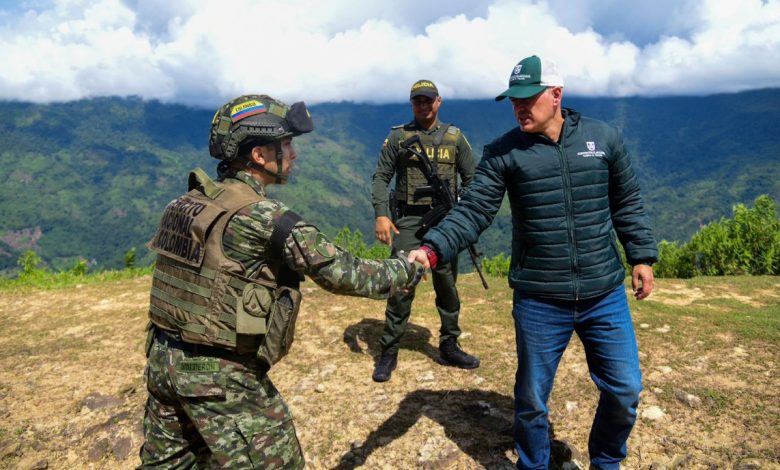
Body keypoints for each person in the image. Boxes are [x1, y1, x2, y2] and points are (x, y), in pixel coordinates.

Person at [139, 94, 424, 469]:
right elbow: (345, 273)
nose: (293, 154)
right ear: (259, 155)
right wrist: (409, 266)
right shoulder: (265, 218)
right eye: (286, 144)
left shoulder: (186, 202)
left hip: (161, 363)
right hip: (218, 378)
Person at [407, 56, 658, 469]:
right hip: (540, 298)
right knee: (531, 401)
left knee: (625, 390)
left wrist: (642, 256)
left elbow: (626, 201)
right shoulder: (504, 152)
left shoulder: (604, 138)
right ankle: (534, 464)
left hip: (604, 293)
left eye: (528, 98)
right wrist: (431, 249)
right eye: (513, 100)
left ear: (556, 95)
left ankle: (607, 462)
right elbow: (473, 210)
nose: (519, 107)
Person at [370, 79, 480, 382]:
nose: (423, 105)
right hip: (408, 220)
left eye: (428, 100)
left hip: (446, 220)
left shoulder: (455, 138)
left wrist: (465, 219)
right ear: (411, 104)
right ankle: (389, 348)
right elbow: (381, 177)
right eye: (417, 100)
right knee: (402, 283)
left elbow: (473, 180)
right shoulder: (398, 137)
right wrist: (381, 215)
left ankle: (449, 344)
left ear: (439, 101)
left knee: (447, 283)